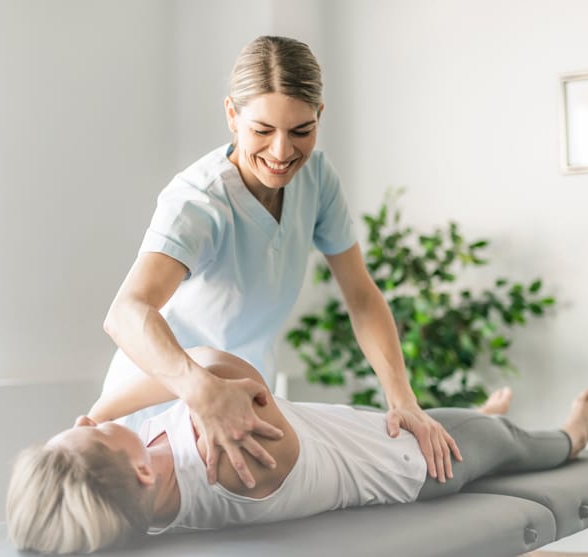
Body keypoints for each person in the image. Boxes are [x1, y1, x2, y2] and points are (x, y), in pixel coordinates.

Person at [99, 34, 460, 491]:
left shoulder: (318, 180)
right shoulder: (198, 201)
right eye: (262, 131)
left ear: (320, 117)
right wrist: (200, 391)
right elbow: (126, 313)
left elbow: (362, 296)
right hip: (163, 407)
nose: (282, 152)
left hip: (244, 401)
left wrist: (403, 400)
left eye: (301, 131)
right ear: (232, 115)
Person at [6, 347, 588, 554]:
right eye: (85, 429)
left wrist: (100, 427)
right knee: (507, 443)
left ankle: (480, 414)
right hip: (411, 462)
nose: (87, 418)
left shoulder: (148, 483)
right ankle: (569, 435)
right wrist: (109, 411)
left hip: (356, 427)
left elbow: (190, 377)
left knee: (475, 423)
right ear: (138, 468)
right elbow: (214, 364)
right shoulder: (234, 463)